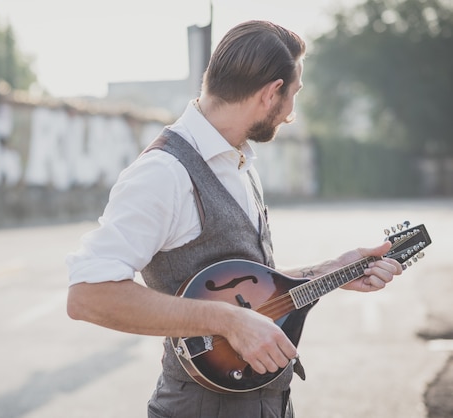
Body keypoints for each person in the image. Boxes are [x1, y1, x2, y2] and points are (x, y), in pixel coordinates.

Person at [66, 20, 403, 418]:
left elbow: (244, 290)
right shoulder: (163, 173)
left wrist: (331, 270)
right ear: (270, 93)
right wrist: (228, 321)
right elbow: (87, 295)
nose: (291, 114)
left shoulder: (238, 160)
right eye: (293, 95)